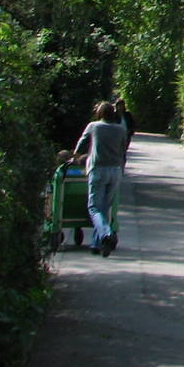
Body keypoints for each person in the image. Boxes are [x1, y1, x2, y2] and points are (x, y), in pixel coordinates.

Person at [72, 102, 129, 257]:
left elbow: (81, 144)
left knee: (94, 207)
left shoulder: (94, 126)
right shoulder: (121, 129)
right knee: (105, 207)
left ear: (100, 113)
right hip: (115, 170)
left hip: (98, 169)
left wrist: (75, 157)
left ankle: (106, 234)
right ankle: (97, 244)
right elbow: (123, 151)